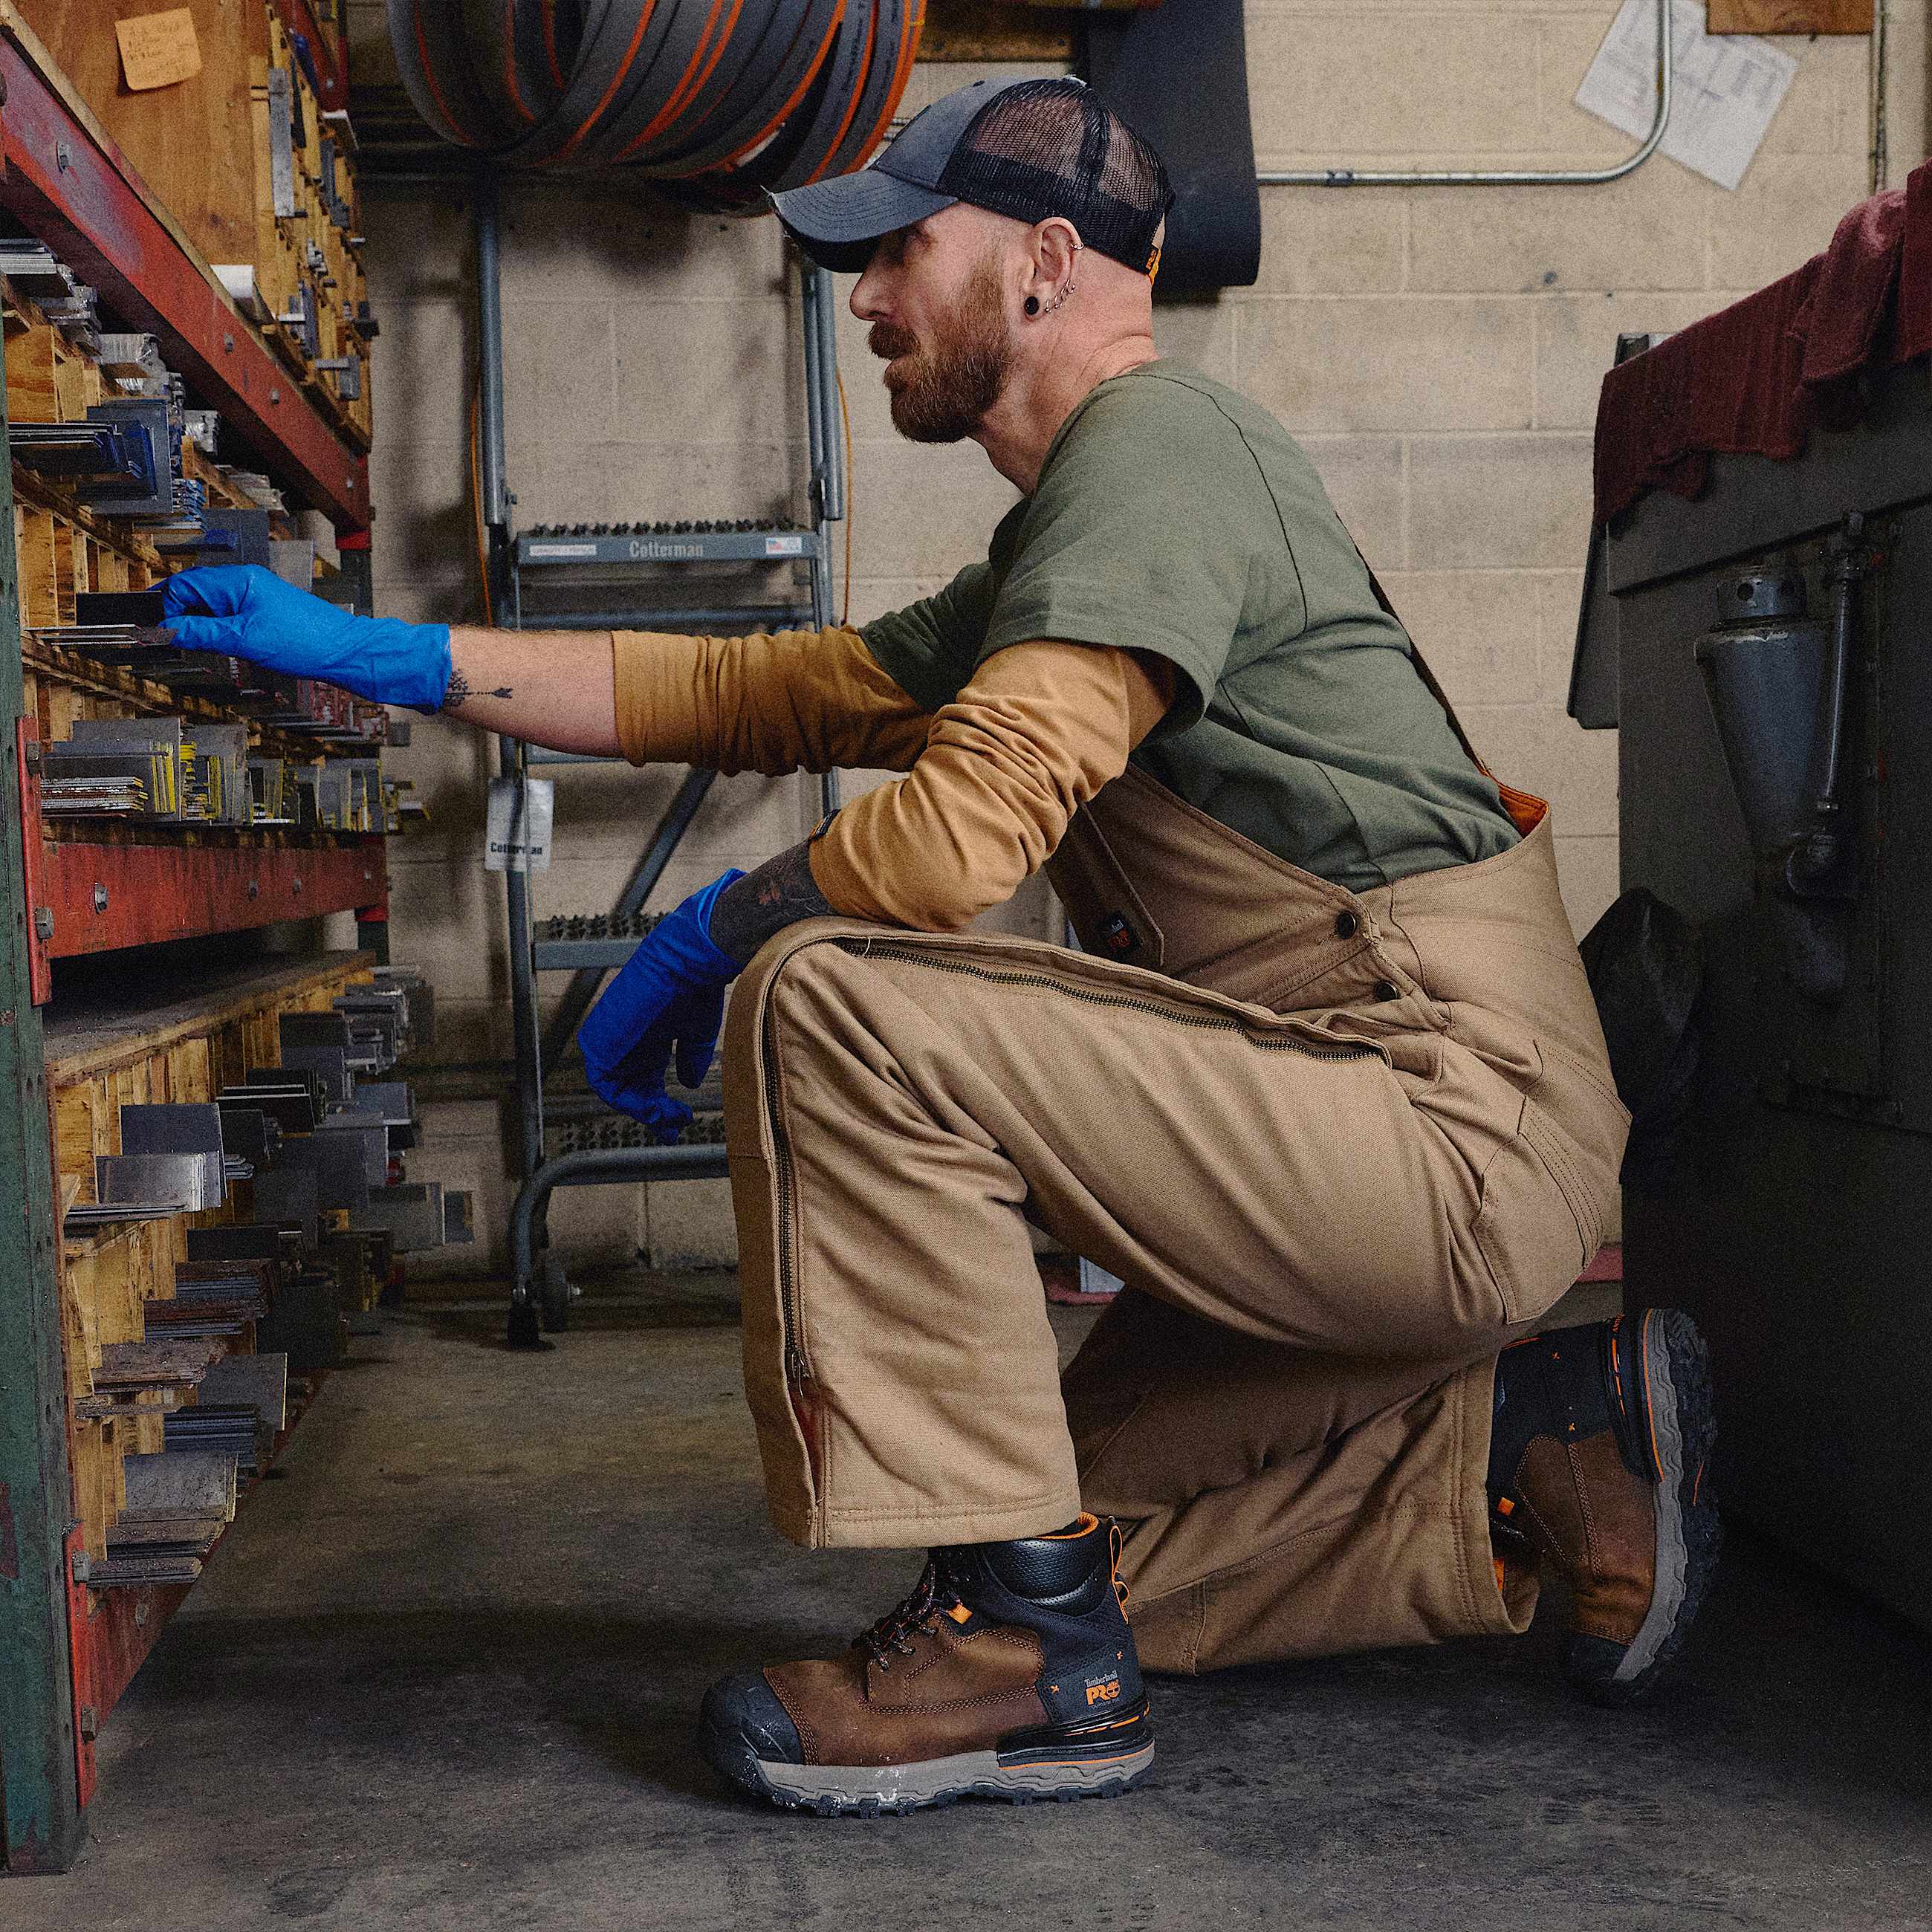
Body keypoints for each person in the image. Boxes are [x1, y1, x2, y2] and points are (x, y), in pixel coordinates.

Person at [163, 75, 1719, 1820]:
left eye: (900, 249)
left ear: (1044, 264)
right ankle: (1530, 1450)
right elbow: (764, 690)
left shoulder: (1162, 449)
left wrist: (711, 932)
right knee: (1069, 1525)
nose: (867, 299)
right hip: (1362, 1128)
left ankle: (1024, 1673)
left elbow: (970, 828)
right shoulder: (1079, 529)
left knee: (837, 997)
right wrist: (392, 656)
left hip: (1440, 1126)